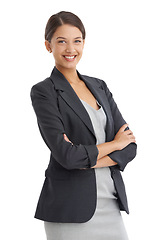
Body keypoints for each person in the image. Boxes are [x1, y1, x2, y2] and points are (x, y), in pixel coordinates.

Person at [30, 11, 137, 240]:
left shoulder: (99, 86)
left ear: (84, 43)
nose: (71, 49)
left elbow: (130, 147)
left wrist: (86, 160)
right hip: (69, 210)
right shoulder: (44, 92)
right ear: (48, 46)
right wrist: (114, 144)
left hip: (110, 203)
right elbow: (67, 156)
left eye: (76, 41)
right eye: (62, 41)